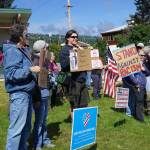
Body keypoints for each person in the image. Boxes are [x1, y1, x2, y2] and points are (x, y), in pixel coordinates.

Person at [3, 24, 40, 150]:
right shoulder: (12, 50)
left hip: (26, 93)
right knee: (16, 130)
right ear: (20, 37)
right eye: (26, 34)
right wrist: (30, 69)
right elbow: (11, 74)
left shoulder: (21, 49)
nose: (28, 37)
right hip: (19, 95)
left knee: (25, 128)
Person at [60, 29, 89, 119]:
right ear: (68, 38)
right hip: (73, 81)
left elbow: (86, 62)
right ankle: (75, 126)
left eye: (76, 37)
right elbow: (64, 65)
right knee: (74, 104)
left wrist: (83, 52)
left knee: (84, 103)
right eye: (73, 37)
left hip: (82, 79)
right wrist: (73, 54)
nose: (75, 38)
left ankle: (82, 124)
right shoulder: (65, 49)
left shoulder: (79, 48)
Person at [32, 40, 55, 150]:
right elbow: (34, 82)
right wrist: (36, 98)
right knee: (39, 121)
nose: (48, 49)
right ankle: (37, 144)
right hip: (39, 95)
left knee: (44, 119)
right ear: (42, 49)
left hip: (45, 93)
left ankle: (45, 140)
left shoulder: (44, 60)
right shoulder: (35, 61)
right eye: (46, 47)